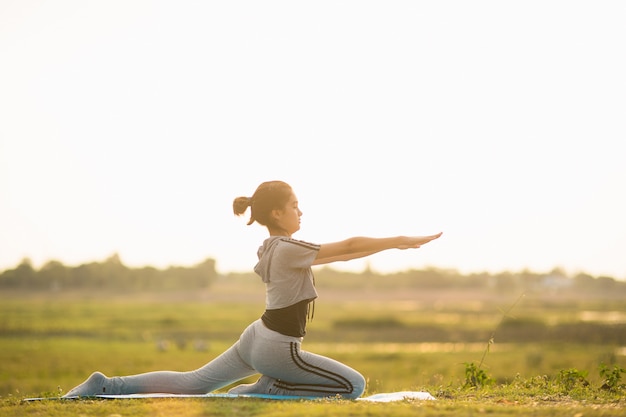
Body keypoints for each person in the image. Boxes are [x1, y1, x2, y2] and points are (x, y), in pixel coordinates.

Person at [64, 180, 442, 399]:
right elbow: (345, 249)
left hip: (256, 336)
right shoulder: (289, 249)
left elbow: (340, 256)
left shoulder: (275, 249)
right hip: (277, 347)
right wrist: (397, 240)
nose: (300, 212)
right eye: (295, 206)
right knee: (353, 386)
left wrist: (390, 244)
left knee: (192, 383)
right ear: (277, 213)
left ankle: (106, 384)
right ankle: (262, 389)